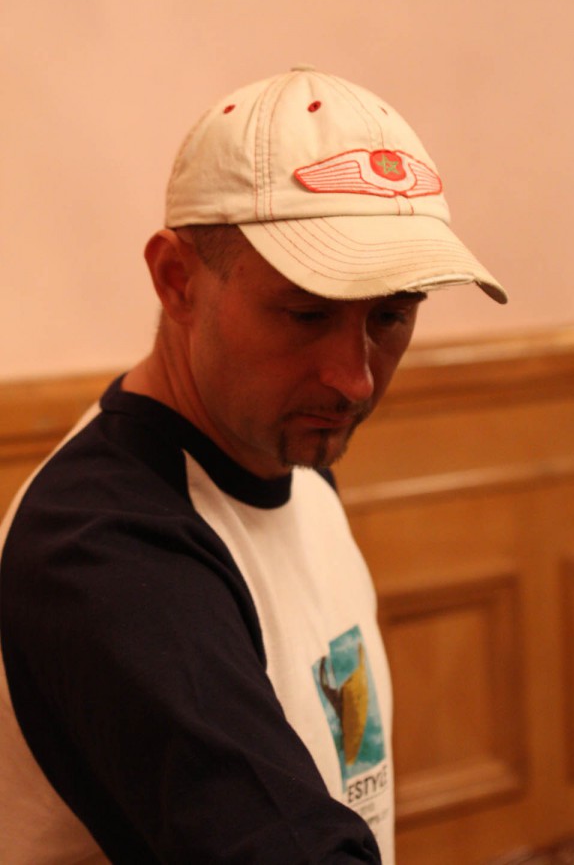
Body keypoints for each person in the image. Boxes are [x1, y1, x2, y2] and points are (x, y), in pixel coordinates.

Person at [0, 66, 507, 864]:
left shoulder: (285, 454)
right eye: (306, 313)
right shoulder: (102, 550)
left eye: (390, 316)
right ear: (177, 280)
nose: (355, 380)